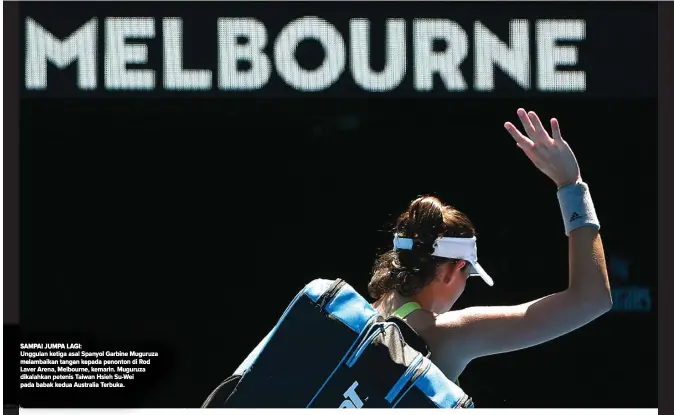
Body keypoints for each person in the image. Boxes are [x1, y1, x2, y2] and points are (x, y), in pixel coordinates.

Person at [369, 108, 613, 384]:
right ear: (454, 269)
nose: (463, 287)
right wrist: (571, 184)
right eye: (467, 275)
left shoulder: (356, 321)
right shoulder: (448, 335)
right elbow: (592, 299)